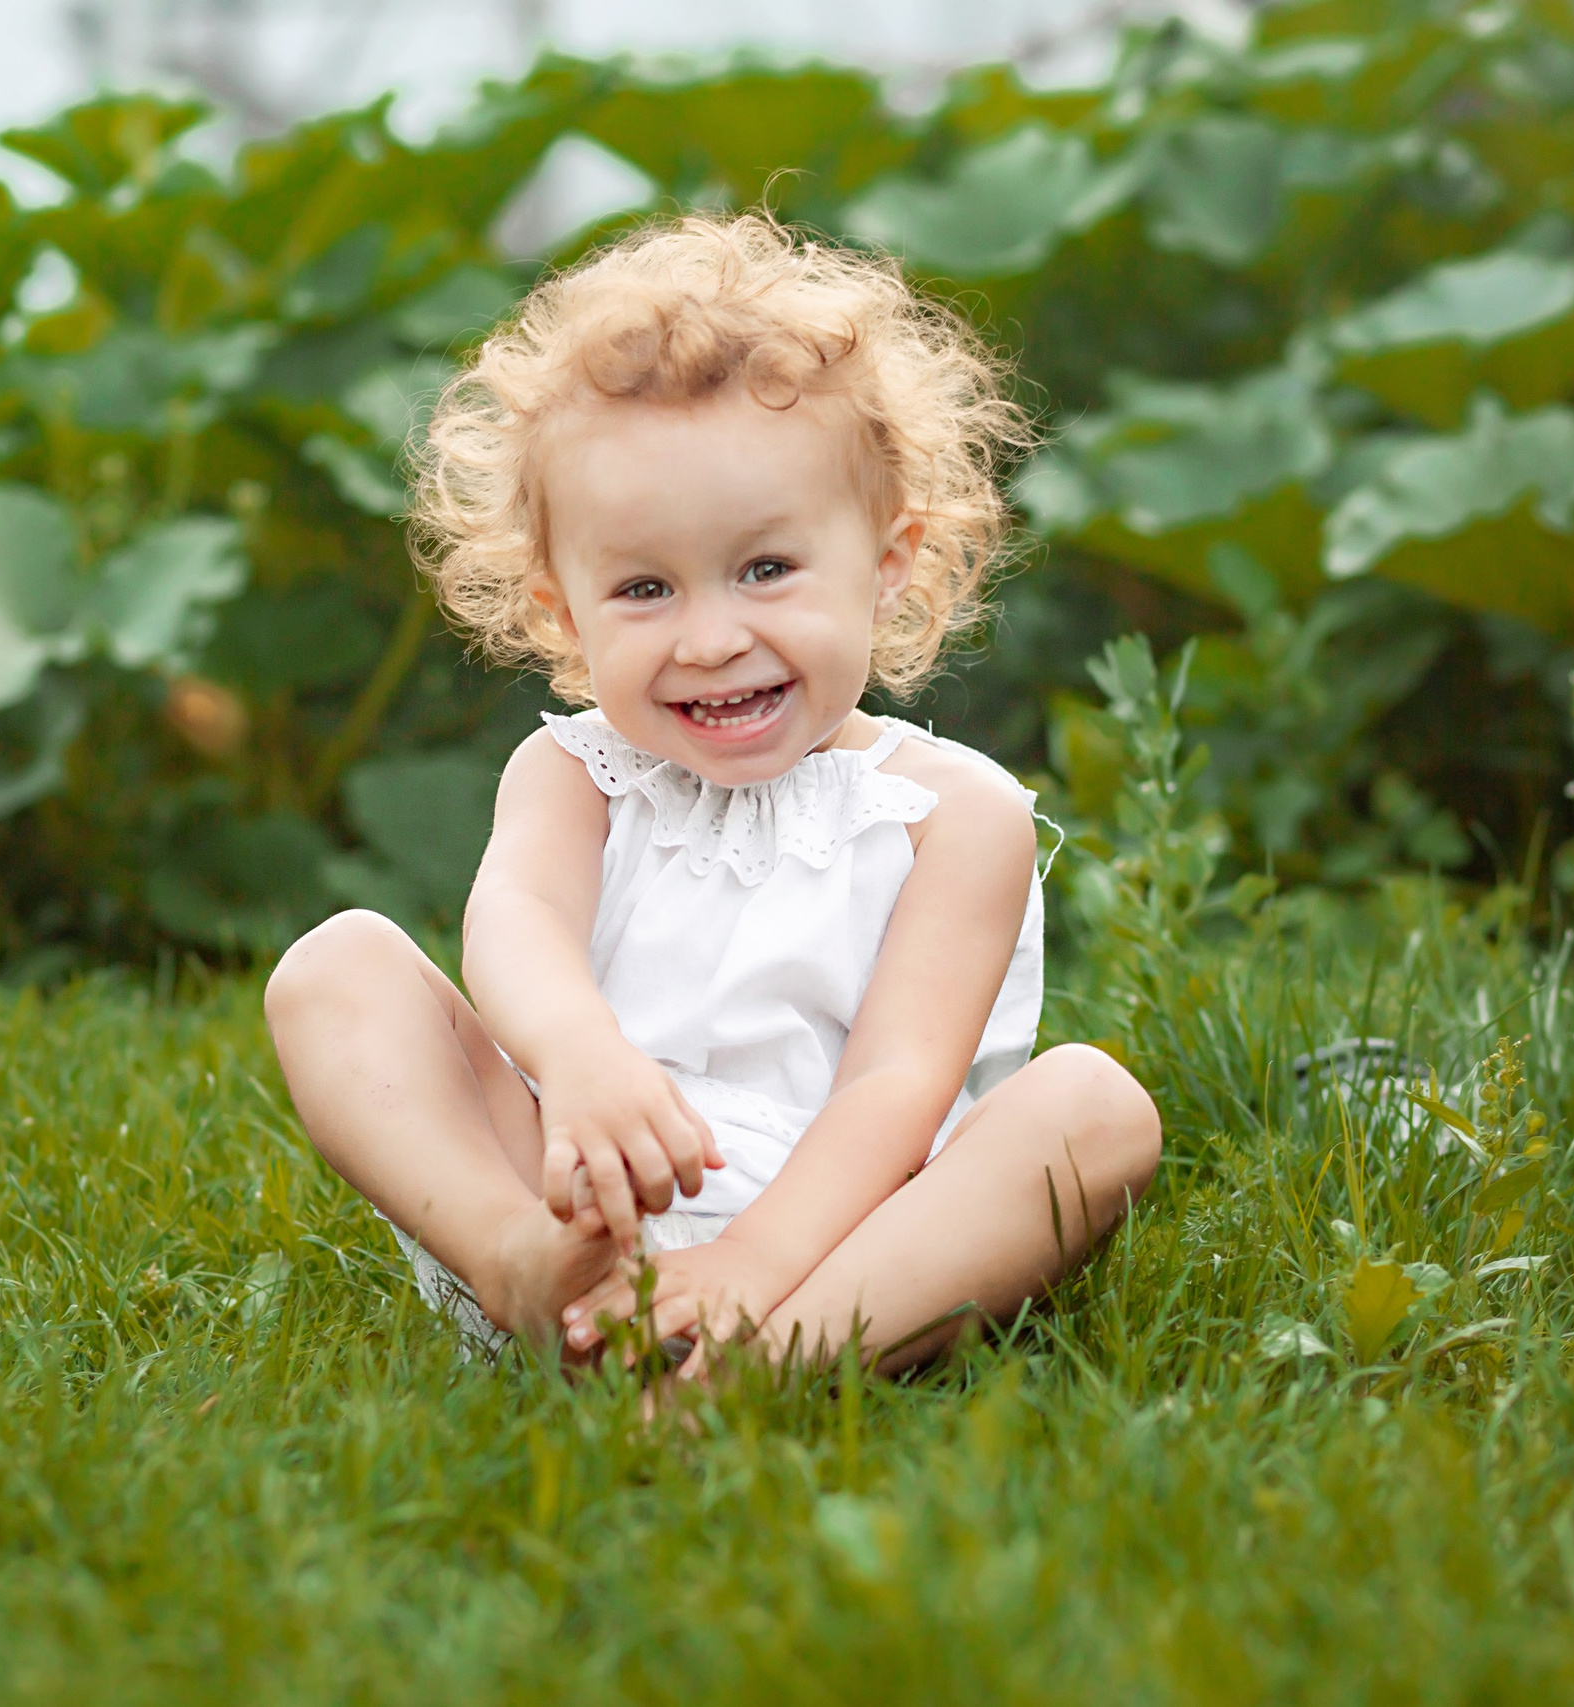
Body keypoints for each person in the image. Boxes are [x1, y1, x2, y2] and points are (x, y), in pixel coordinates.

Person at [265, 212, 1160, 1375]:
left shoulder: (953, 815)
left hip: (845, 1239)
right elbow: (516, 925)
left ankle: (763, 1361)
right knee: (335, 964)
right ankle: (514, 1266)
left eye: (767, 569)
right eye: (644, 587)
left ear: (888, 559)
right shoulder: (575, 773)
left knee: (1092, 1110)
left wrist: (751, 1266)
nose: (711, 637)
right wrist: (582, 1059)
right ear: (559, 610)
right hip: (590, 1198)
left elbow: (897, 1086)